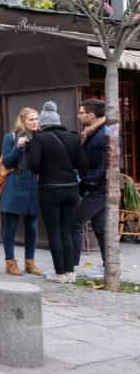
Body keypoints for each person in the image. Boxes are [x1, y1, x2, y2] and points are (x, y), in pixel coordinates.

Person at [27, 101, 88, 282]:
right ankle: (70, 272)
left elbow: (33, 166)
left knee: (54, 232)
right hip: (71, 189)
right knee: (66, 231)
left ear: (43, 123)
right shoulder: (73, 137)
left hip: (50, 190)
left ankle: (59, 273)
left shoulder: (39, 138)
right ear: (58, 121)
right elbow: (83, 164)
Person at [0, 107, 42, 276]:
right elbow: (7, 162)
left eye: (37, 119)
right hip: (15, 183)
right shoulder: (10, 137)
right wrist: (18, 146)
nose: (35, 122)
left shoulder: (40, 137)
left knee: (32, 225)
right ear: (23, 121)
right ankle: (10, 262)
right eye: (31, 119)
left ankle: (30, 261)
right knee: (10, 225)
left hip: (33, 184)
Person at [76, 99, 109, 273]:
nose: (79, 116)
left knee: (74, 222)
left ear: (92, 115)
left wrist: (88, 180)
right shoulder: (92, 131)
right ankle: (108, 265)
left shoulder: (104, 133)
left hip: (98, 188)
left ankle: (69, 268)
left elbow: (107, 163)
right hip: (95, 186)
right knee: (100, 227)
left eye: (82, 113)